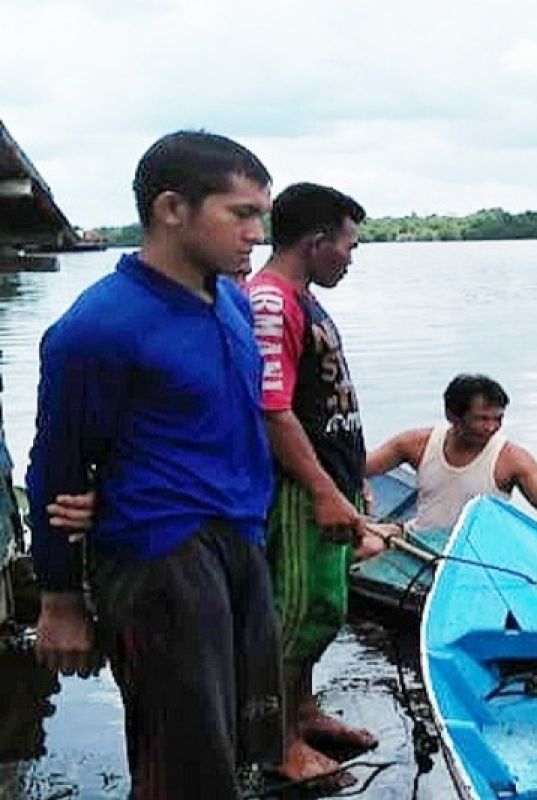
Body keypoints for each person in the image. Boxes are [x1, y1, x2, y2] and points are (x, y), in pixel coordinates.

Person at [26, 131, 281, 799]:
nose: (258, 232)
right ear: (173, 209)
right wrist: (59, 599)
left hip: (239, 543)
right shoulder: (99, 328)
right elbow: (54, 466)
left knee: (238, 747)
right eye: (242, 213)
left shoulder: (227, 300)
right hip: (159, 562)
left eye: (262, 214)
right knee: (180, 762)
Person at [247, 182, 375, 789]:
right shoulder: (271, 302)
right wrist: (322, 489)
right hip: (299, 488)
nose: (351, 258)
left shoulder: (302, 298)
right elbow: (274, 408)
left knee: (325, 607)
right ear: (317, 242)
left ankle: (301, 709)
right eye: (348, 246)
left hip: (328, 479)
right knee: (299, 611)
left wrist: (353, 483)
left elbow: (327, 399)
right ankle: (275, 742)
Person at [366, 374, 537, 562]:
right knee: (365, 546)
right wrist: (361, 485)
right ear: (453, 416)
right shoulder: (414, 444)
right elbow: (357, 468)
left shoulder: (512, 460)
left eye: (497, 419)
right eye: (482, 419)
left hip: (477, 554)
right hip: (419, 541)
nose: (491, 428)